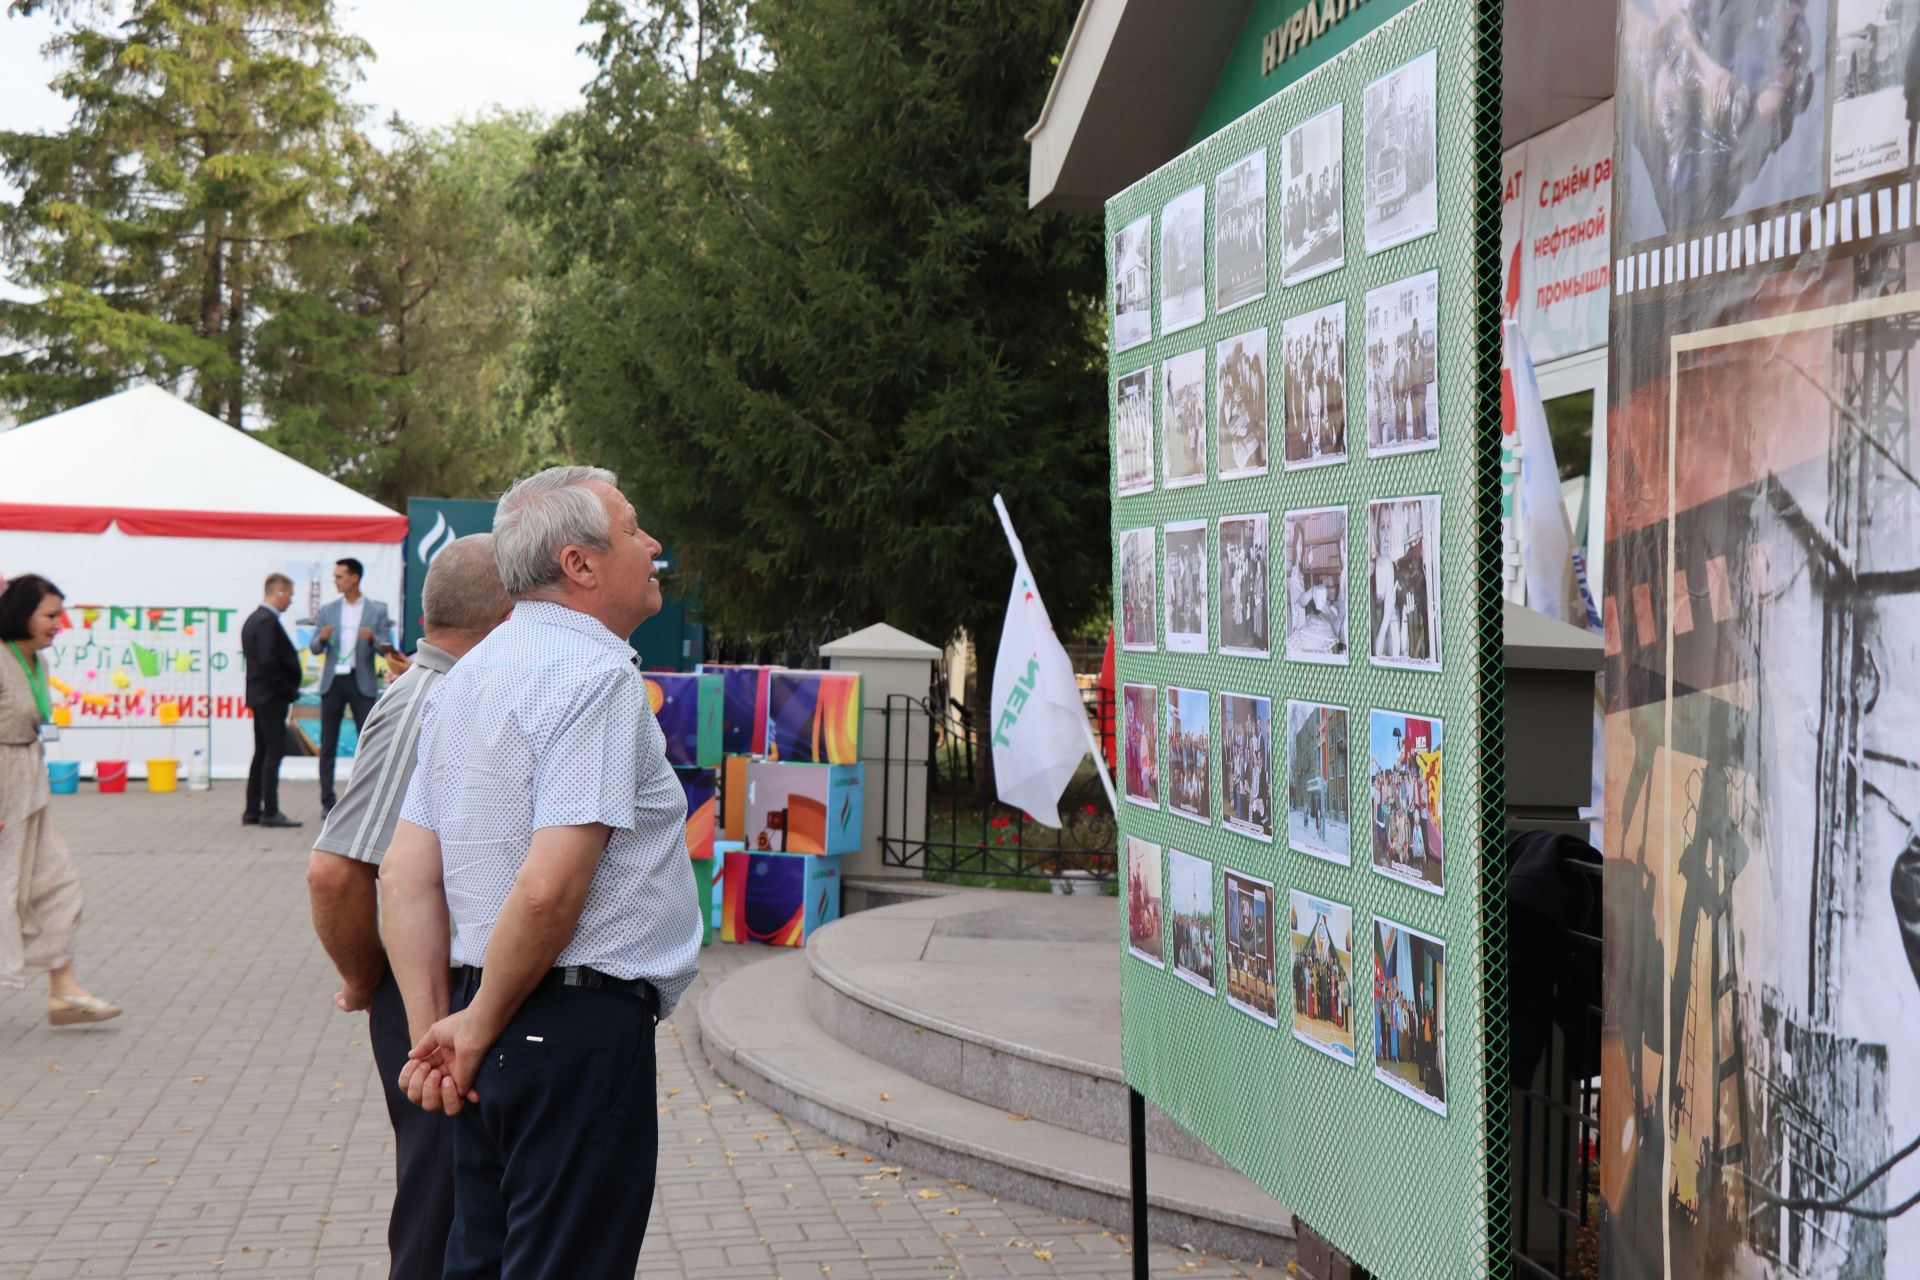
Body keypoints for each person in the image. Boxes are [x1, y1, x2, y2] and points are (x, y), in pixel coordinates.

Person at [382, 466, 700, 1278]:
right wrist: (477, 1023)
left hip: (486, 1026)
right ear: (580, 564)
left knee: (479, 1260)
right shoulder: (594, 678)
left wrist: (441, 1033)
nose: (652, 544)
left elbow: (405, 873)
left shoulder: (466, 679)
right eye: (632, 528)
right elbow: (553, 884)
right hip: (567, 1031)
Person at [305, 535, 511, 1280]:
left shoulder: (454, 690)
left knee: (464, 1196)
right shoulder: (429, 699)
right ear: (506, 612)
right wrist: (367, 982)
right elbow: (335, 871)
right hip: (423, 987)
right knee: (440, 1202)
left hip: (442, 986)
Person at [0, 574, 121, 1025]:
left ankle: (63, 991)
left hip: (28, 786)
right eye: (50, 615)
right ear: (21, 614)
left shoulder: (37, 662)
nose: (59, 624)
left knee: (58, 883)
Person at [309, 558, 394, 814]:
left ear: (354, 578)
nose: (335, 581)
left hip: (362, 681)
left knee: (367, 743)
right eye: (335, 576)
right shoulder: (327, 610)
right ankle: (327, 801)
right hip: (333, 682)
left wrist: (373, 639)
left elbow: (387, 648)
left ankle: (365, 800)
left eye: (339, 576)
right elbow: (314, 647)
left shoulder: (376, 610)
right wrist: (321, 638)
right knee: (328, 743)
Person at [242, 574, 304, 828]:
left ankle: (253, 809)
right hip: (271, 697)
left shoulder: (253, 619)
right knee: (273, 752)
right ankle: (270, 811)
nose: (290, 601)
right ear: (278, 592)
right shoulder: (267, 622)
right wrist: (287, 689)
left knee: (262, 752)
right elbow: (268, 662)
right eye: (289, 594)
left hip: (259, 695)